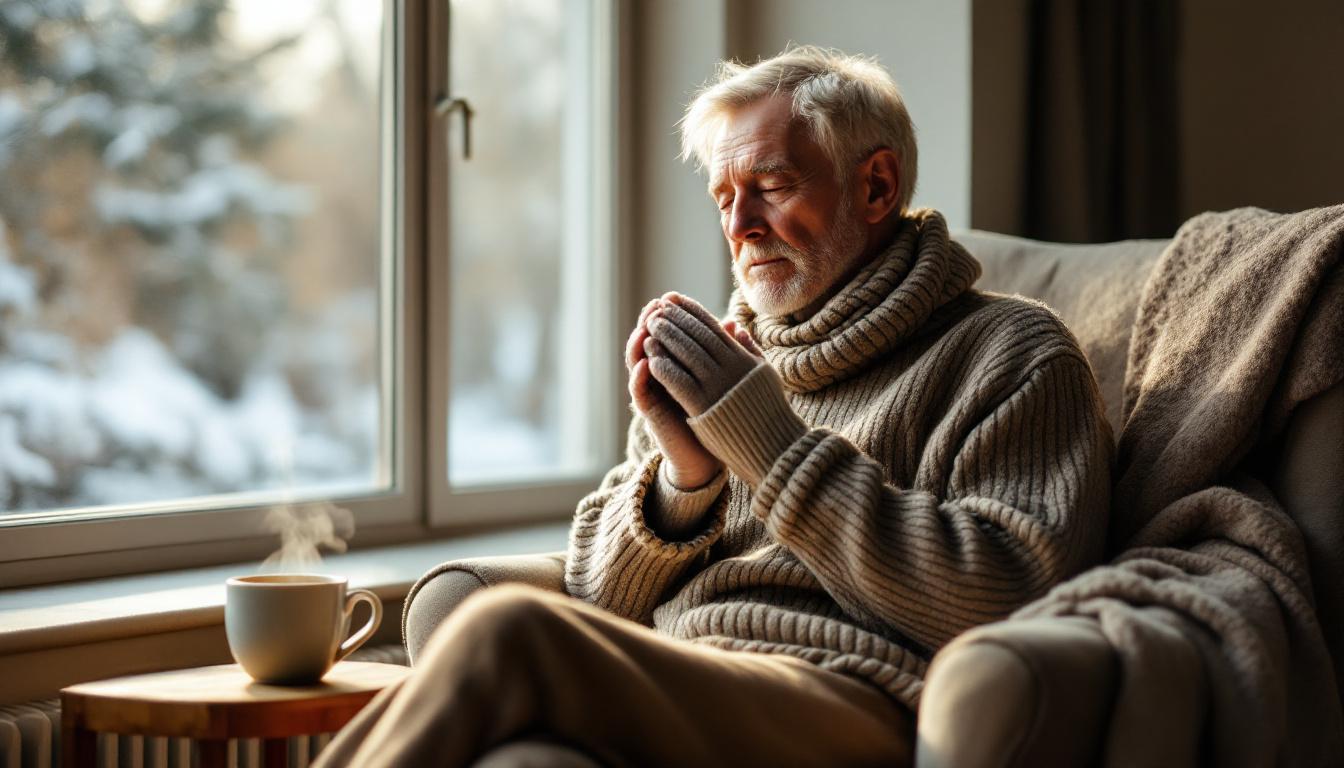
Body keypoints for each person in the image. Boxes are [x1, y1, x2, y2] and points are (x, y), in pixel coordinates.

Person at [313, 45, 1112, 768]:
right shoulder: (717, 361)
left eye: (769, 186)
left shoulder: (1010, 352)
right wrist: (682, 484)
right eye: (724, 196)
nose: (739, 225)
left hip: (860, 697)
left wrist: (765, 441)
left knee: (504, 630)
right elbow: (600, 603)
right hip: (685, 676)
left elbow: (1006, 598)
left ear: (876, 186)